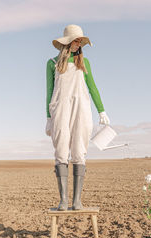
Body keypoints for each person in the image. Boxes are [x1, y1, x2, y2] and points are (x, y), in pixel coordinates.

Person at [45, 24, 110, 211]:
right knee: (61, 151)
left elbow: (93, 87)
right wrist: (48, 117)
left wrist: (101, 110)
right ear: (66, 42)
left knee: (79, 150)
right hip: (60, 109)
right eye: (75, 40)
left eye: (80, 41)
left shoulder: (84, 63)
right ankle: (63, 200)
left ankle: (77, 201)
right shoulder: (52, 63)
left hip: (81, 109)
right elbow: (49, 92)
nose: (78, 43)